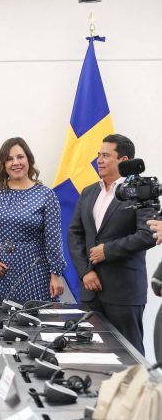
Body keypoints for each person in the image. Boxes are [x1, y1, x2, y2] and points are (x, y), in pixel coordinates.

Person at [67, 134, 155, 354]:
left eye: (106, 155)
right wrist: (86, 272)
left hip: (124, 292)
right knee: (91, 353)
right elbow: (74, 233)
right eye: (98, 155)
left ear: (123, 160)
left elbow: (148, 234)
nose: (99, 160)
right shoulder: (89, 191)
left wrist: (108, 251)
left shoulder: (141, 192)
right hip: (90, 290)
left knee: (130, 356)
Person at [0, 137, 65, 304]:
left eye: (20, 157)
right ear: (3, 164)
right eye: (9, 159)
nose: (15, 162)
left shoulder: (46, 195)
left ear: (28, 159)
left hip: (35, 273)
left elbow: (54, 240)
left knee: (36, 323)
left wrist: (56, 275)